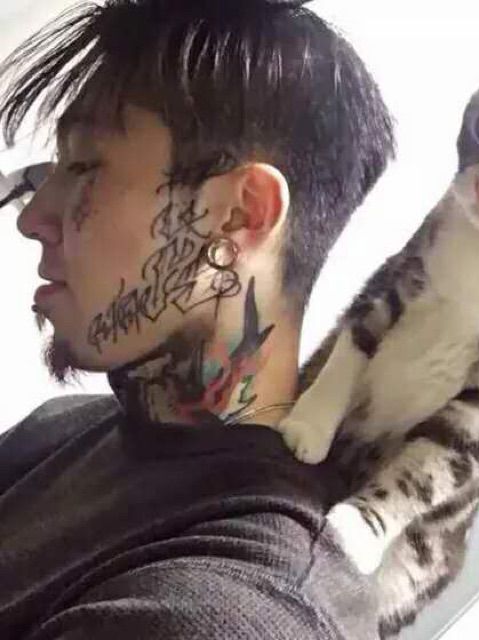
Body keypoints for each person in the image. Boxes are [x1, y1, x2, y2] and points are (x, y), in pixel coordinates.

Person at [0, 1, 395, 638]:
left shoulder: (236, 607)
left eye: (83, 167)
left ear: (241, 215)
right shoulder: (62, 430)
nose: (31, 218)